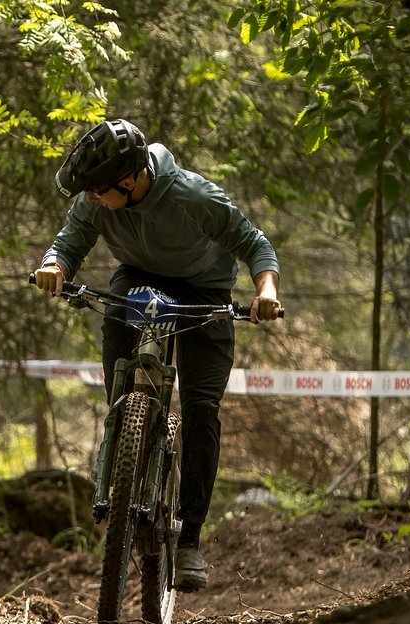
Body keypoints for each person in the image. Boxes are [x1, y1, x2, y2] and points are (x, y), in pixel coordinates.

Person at [32, 118, 282, 592]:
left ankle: (189, 539)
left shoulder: (194, 197)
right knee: (115, 325)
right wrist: (54, 264)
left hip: (204, 287)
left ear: (129, 181)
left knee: (201, 407)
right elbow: (71, 241)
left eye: (98, 190)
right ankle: (125, 443)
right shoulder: (96, 199)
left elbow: (254, 243)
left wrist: (265, 292)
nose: (90, 199)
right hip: (139, 275)